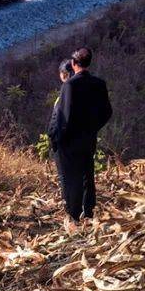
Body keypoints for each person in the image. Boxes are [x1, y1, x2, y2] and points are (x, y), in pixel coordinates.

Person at [47, 47, 113, 222]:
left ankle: (74, 213)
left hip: (70, 139)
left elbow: (64, 116)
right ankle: (88, 209)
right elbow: (107, 112)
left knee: (72, 176)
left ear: (74, 64)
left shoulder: (70, 85)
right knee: (87, 173)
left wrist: (55, 137)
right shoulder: (99, 83)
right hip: (88, 137)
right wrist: (93, 127)